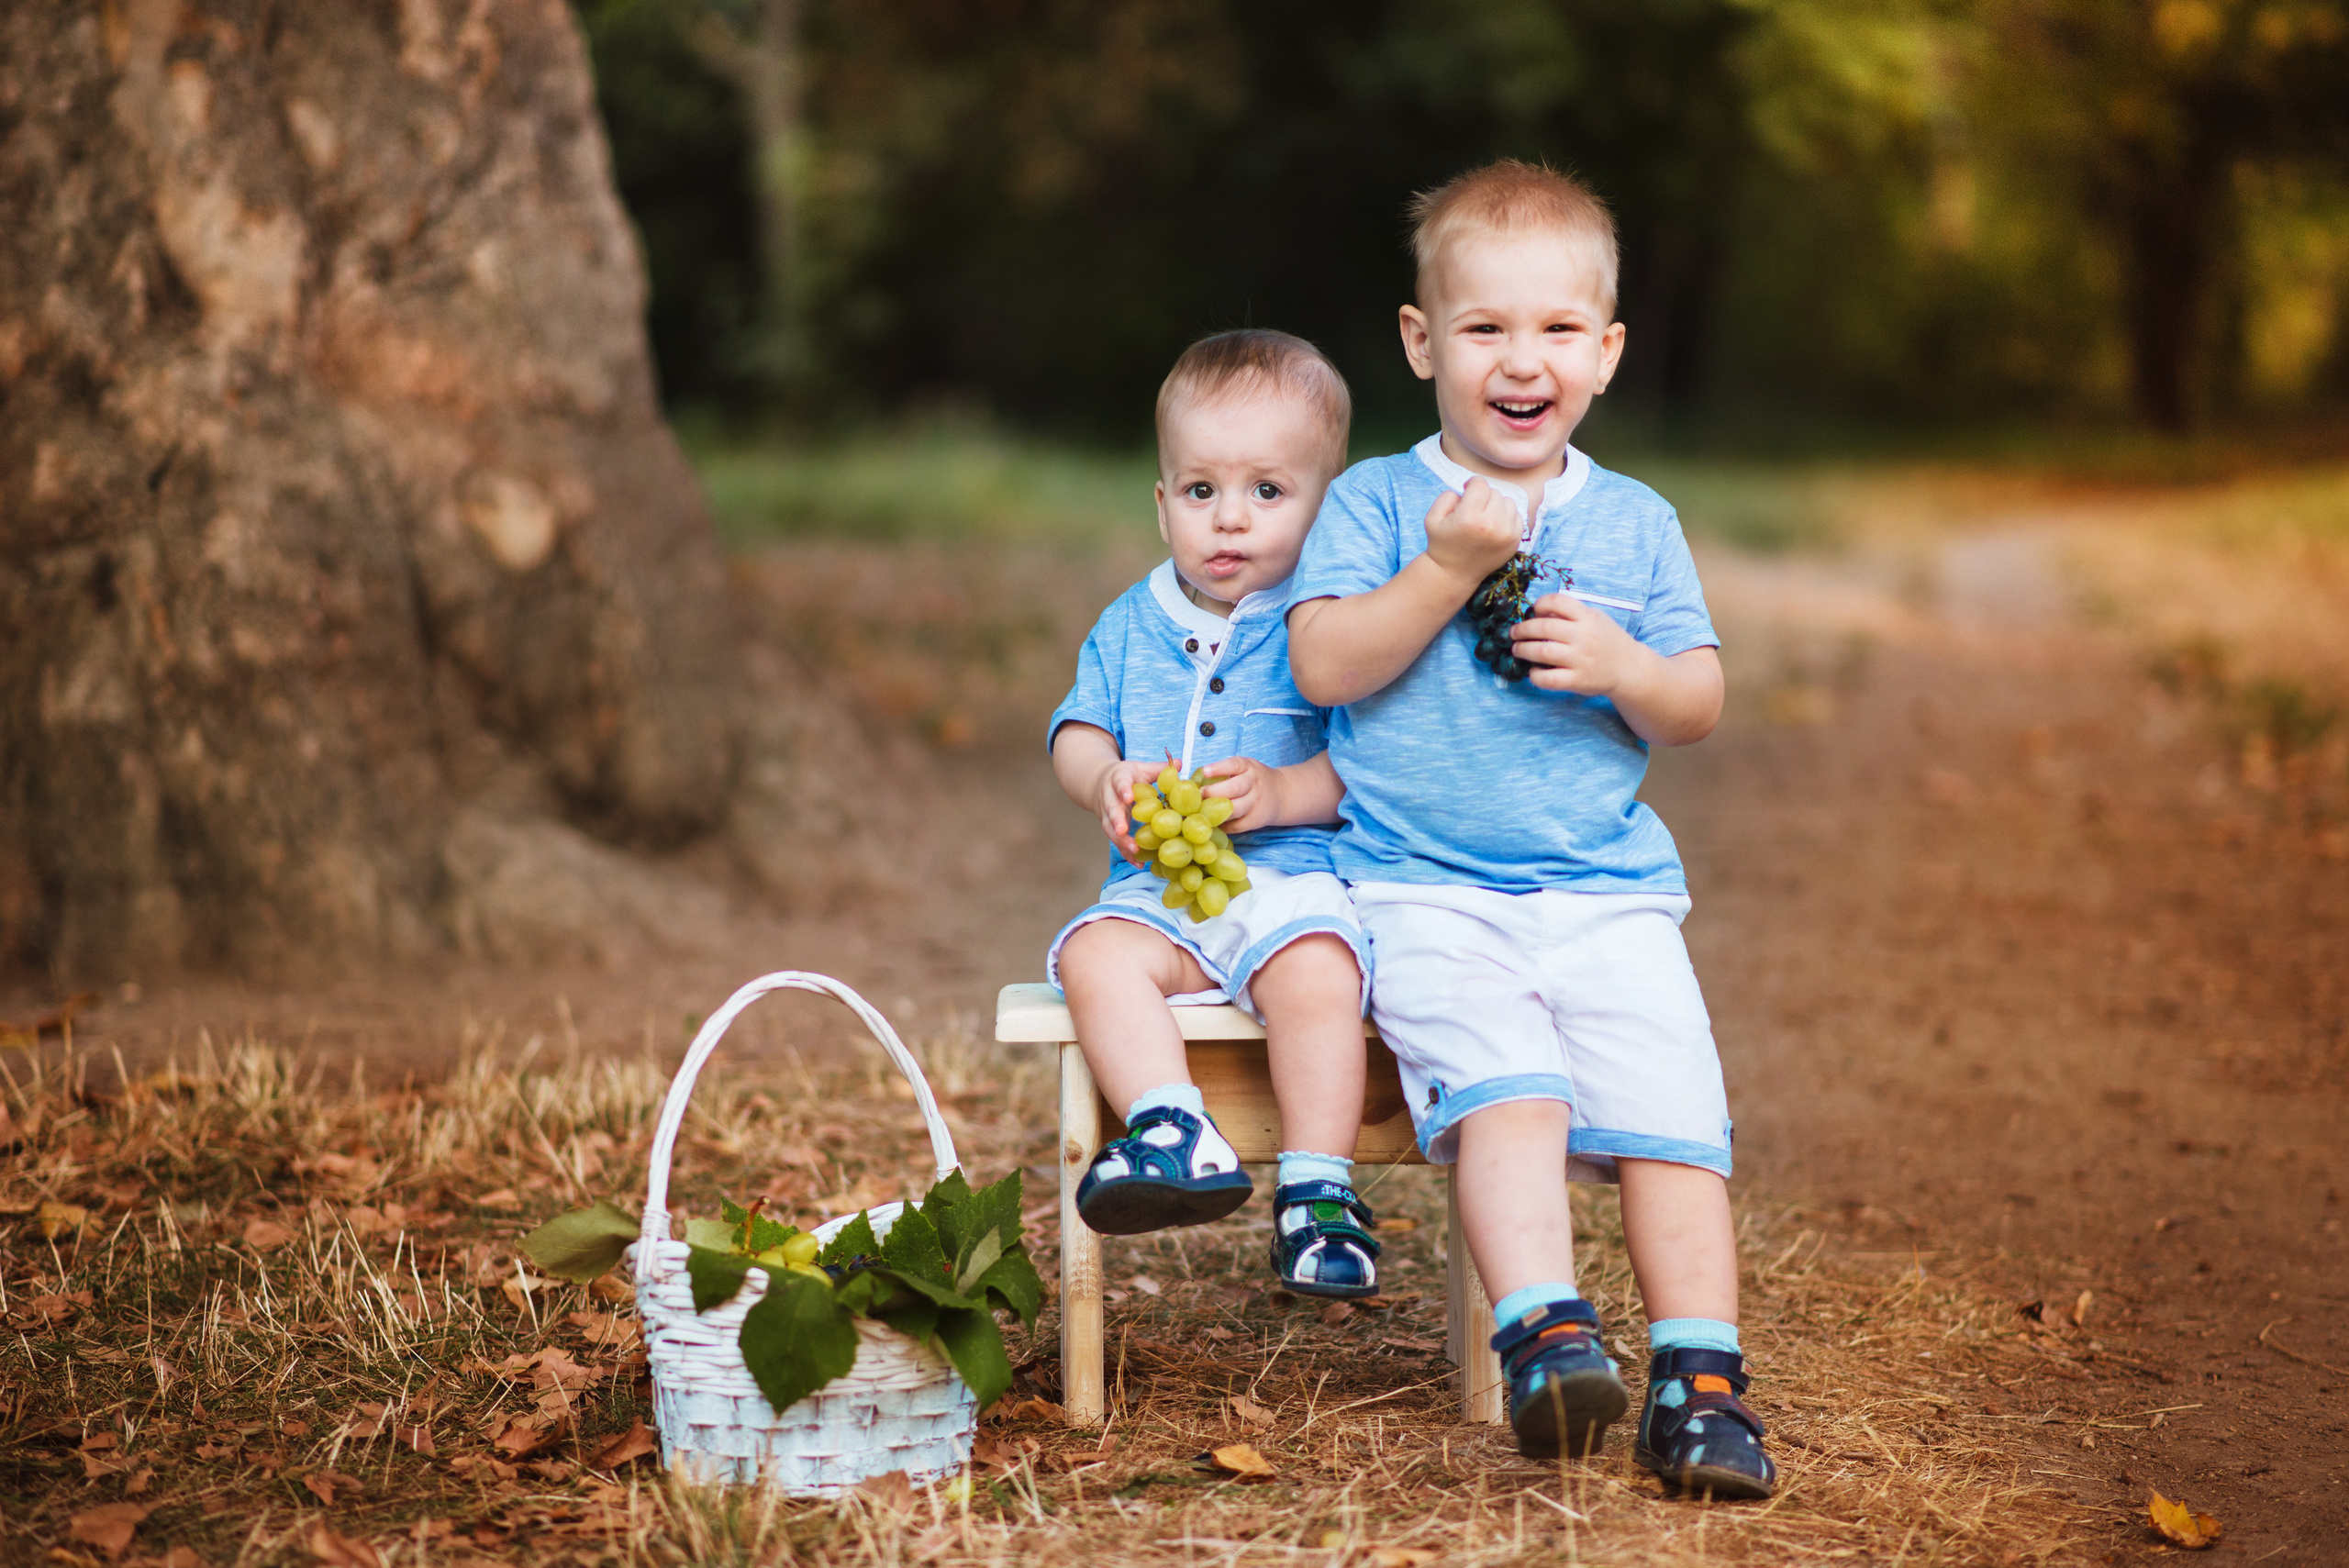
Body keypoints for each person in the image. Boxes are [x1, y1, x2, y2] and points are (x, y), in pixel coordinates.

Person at [1286, 161, 1773, 1497]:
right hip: (1424, 888)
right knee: (1511, 1096)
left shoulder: (1634, 522)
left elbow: (1699, 699)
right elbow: (1325, 666)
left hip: (1608, 892)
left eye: (1557, 329)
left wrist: (1626, 662)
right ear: (1421, 341)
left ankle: (1702, 1380)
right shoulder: (1380, 506)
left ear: (1605, 355)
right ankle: (1547, 1335)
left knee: (1677, 1125)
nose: (1522, 359)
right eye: (1486, 327)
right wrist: (1445, 569)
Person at [1046, 329, 1380, 1298]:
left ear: (1328, 504)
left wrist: (1282, 793)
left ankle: (1319, 1190)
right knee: (1091, 955)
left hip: (1294, 883)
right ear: (1162, 504)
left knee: (1318, 973)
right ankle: (1169, 1125)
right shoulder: (1128, 621)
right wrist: (1104, 776)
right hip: (1161, 892)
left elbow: (1369, 767)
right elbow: (1075, 728)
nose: (1229, 519)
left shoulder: (1330, 621)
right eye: (1201, 492)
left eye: (1268, 492)